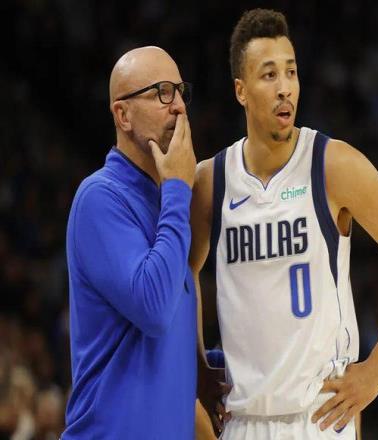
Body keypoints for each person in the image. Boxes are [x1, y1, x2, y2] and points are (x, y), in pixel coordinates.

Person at [190, 9, 378, 440]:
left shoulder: (332, 165)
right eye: (269, 74)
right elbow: (183, 273)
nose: (285, 87)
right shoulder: (211, 181)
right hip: (241, 421)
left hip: (319, 417)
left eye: (291, 72)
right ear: (241, 91)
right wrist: (196, 363)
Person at [62, 46, 198, 439]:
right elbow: (153, 308)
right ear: (122, 115)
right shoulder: (99, 198)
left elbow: (164, 346)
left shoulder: (166, 203)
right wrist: (178, 188)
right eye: (162, 93)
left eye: (180, 92)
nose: (179, 107)